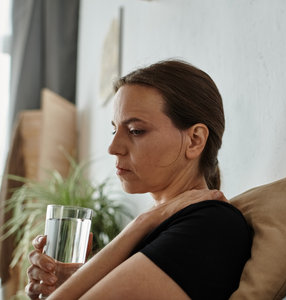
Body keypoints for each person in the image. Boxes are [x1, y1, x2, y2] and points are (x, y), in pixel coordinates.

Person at [25, 60, 252, 300]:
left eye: (135, 130)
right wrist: (73, 282)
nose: (113, 147)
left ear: (195, 140)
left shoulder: (211, 225)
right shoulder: (166, 227)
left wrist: (142, 222)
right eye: (115, 130)